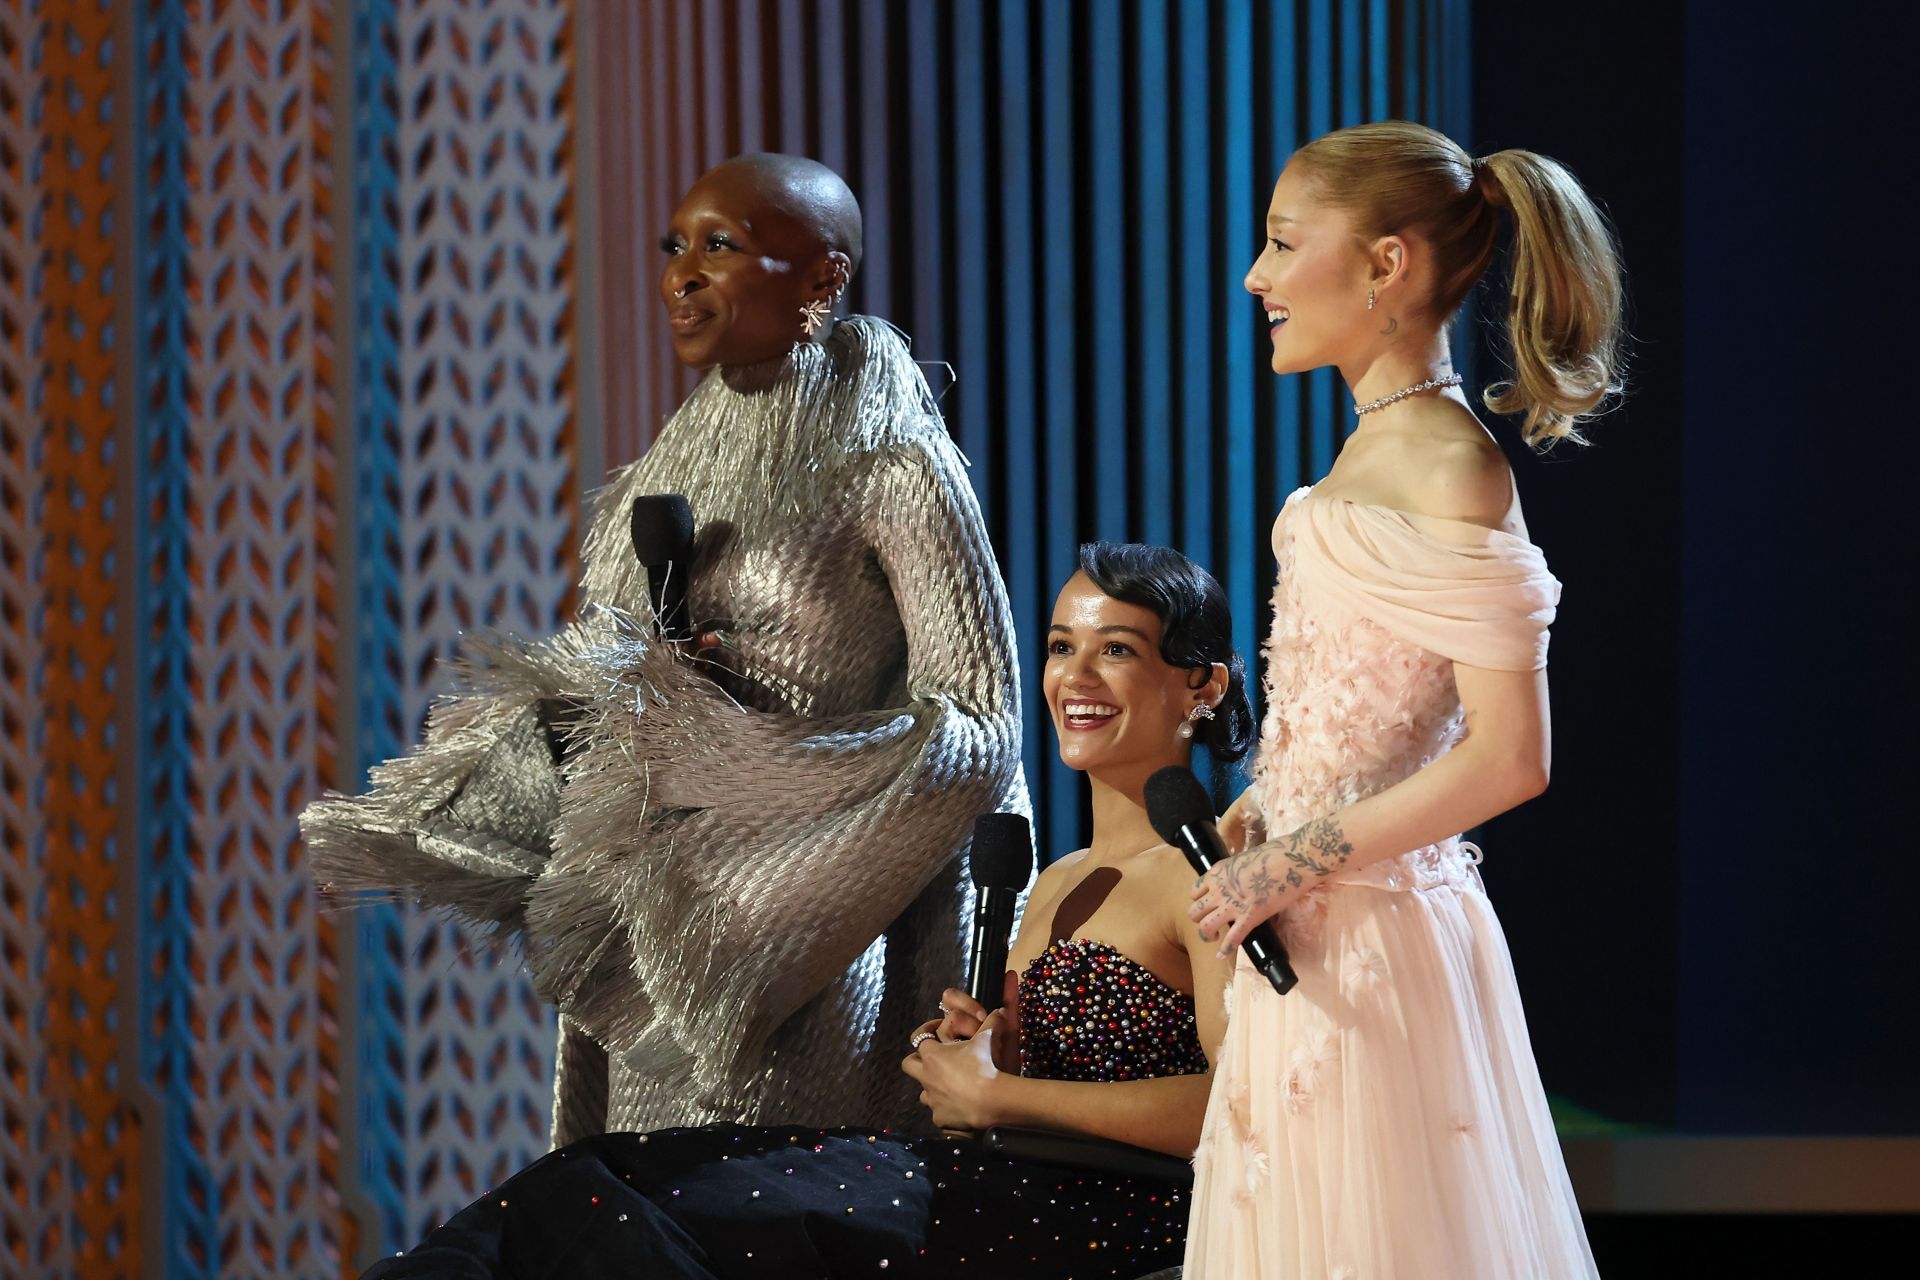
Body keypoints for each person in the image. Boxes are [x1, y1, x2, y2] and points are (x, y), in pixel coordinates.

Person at [300, 154, 1024, 1143]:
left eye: (720, 246)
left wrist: (741, 765)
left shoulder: (896, 469)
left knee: (756, 1218)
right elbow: (621, 696)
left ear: (823, 278)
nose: (681, 273)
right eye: (673, 246)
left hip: (793, 950)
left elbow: (981, 732)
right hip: (644, 925)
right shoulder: (668, 467)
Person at [357, 543, 1251, 1280]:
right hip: (989, 1184)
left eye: (1117, 650)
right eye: (1061, 646)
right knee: (592, 1171)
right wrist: (980, 1058)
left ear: (1203, 687)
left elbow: (1238, 1105)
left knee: (614, 1216)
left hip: (1094, 1220)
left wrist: (1003, 1094)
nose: (1075, 676)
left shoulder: (1211, 870)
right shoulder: (1050, 878)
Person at [1183, 120, 1617, 1278]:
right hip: (1306, 934)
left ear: (1387, 265)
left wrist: (1297, 853)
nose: (1256, 276)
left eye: (1282, 243)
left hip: (1376, 943)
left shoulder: (1448, 463)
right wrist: (1266, 812)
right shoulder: (1372, 454)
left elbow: (1510, 757)